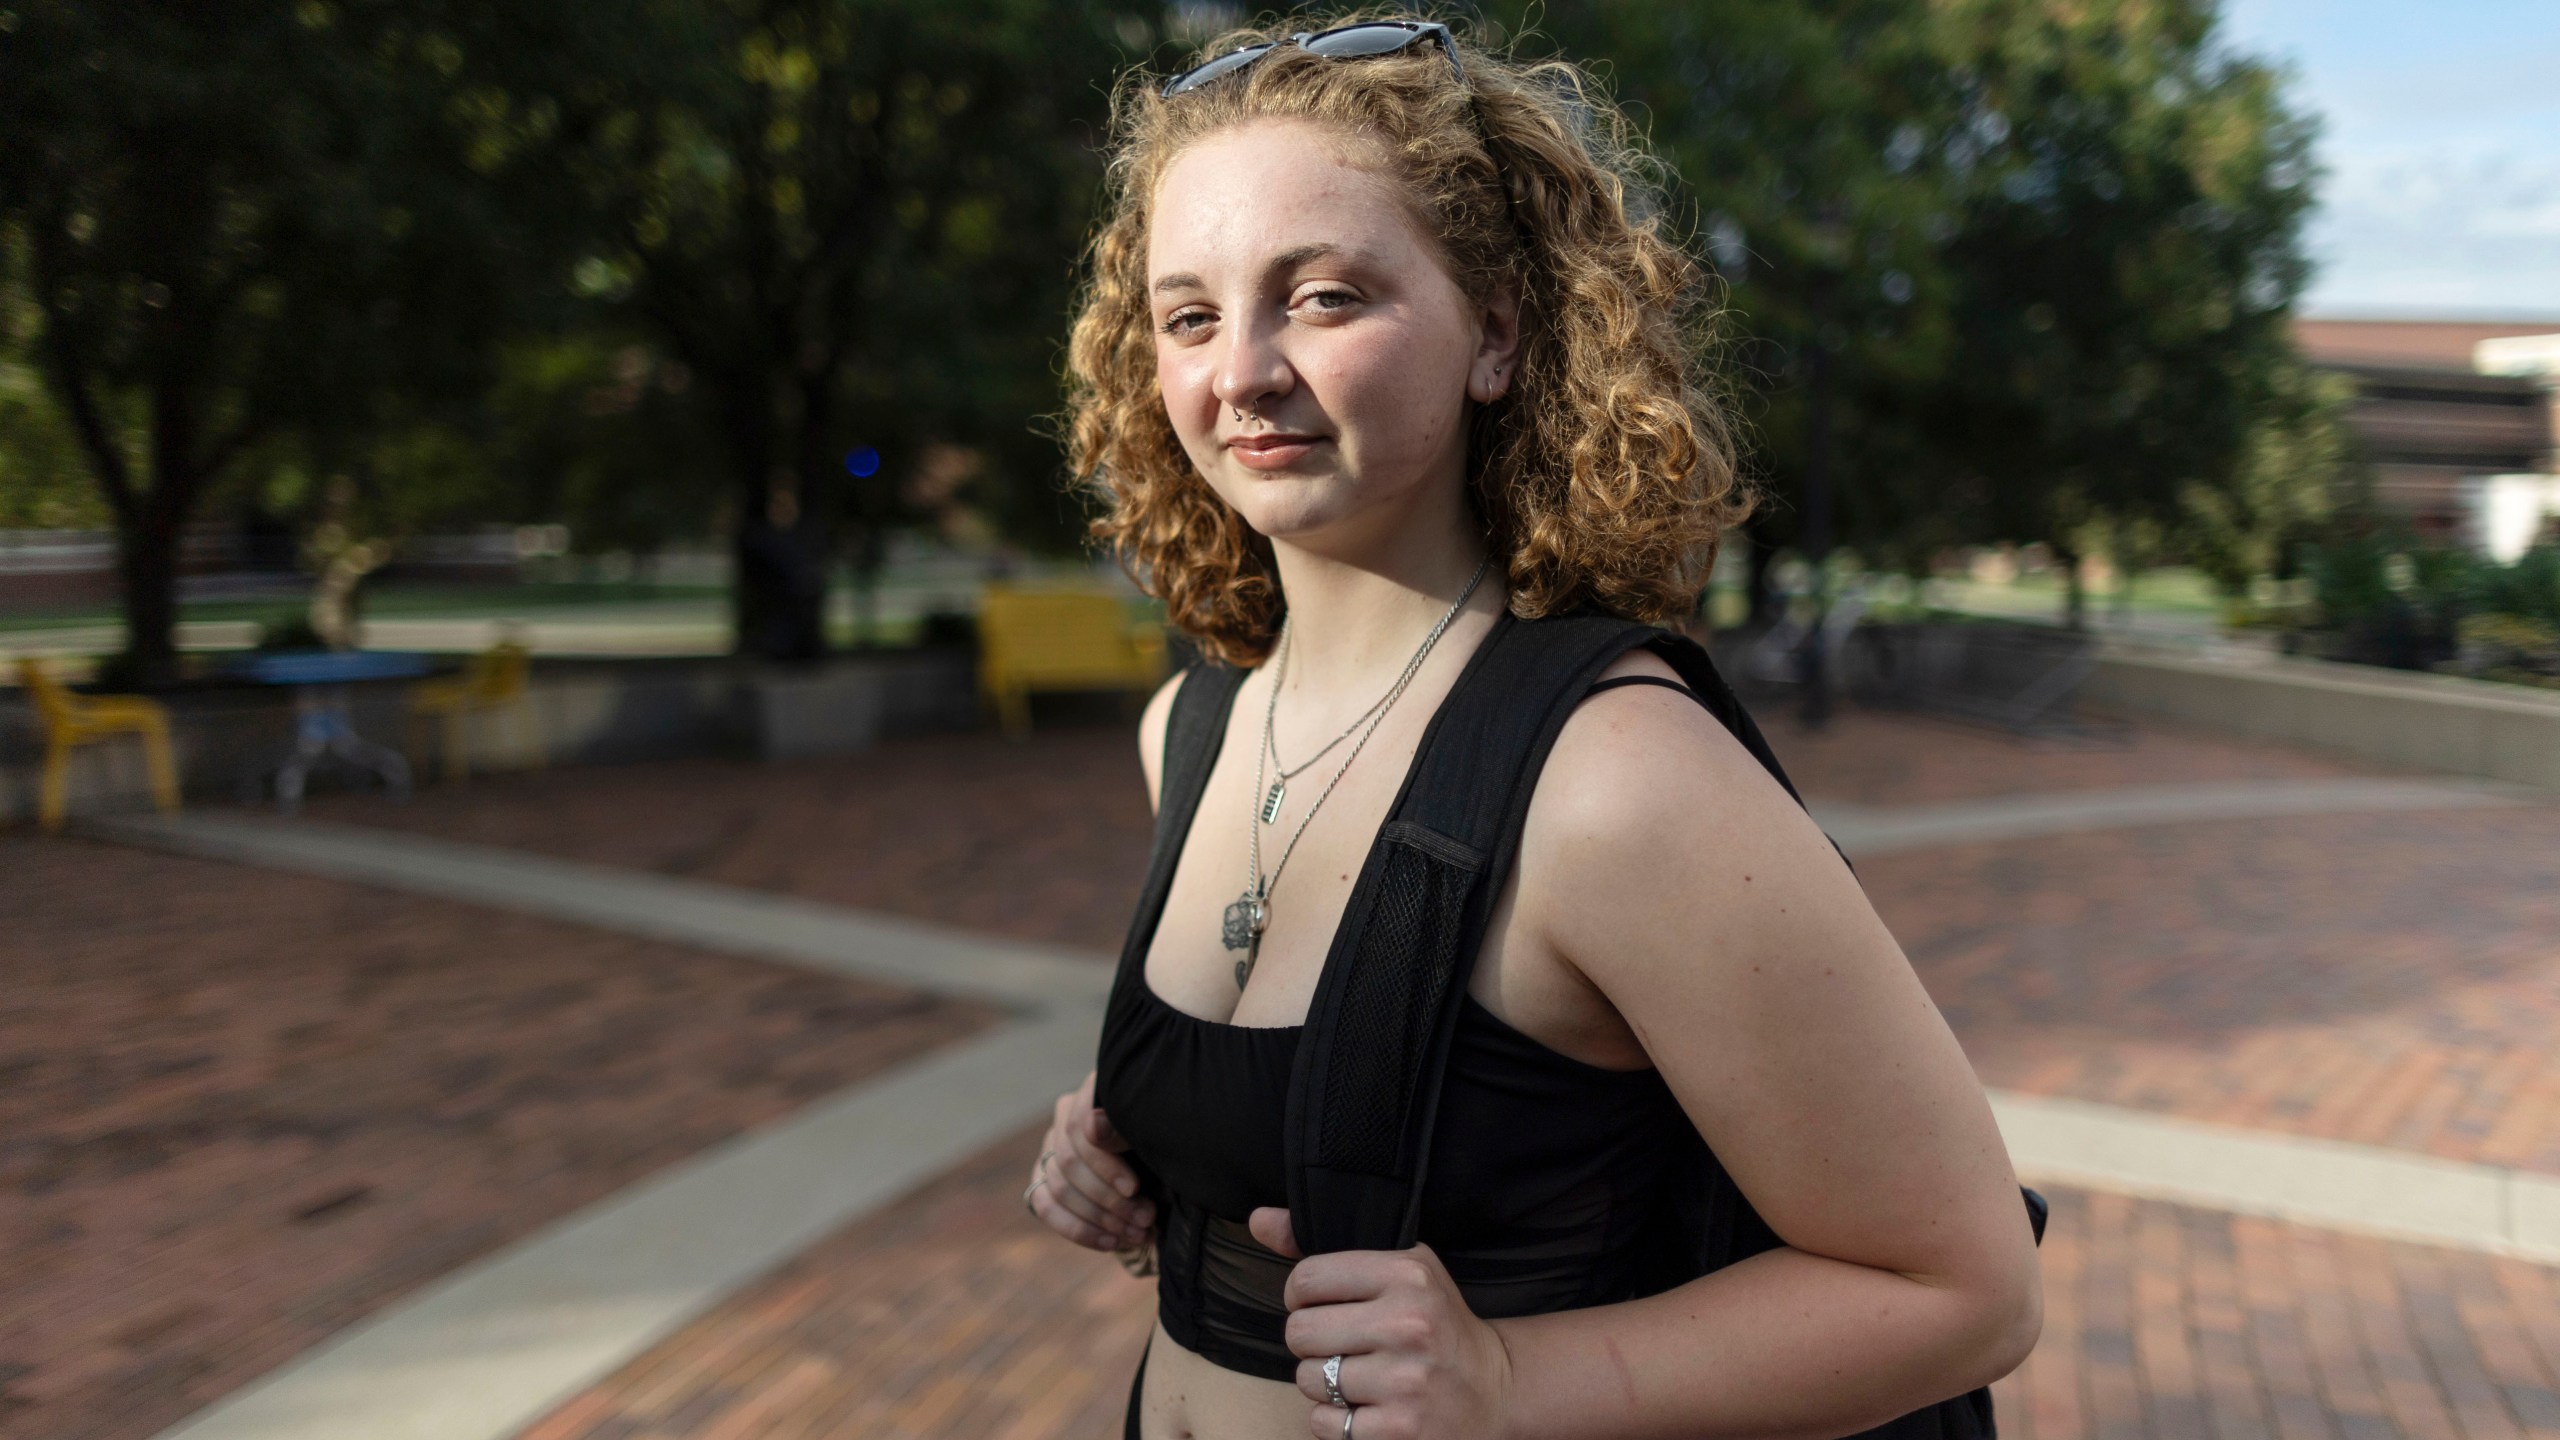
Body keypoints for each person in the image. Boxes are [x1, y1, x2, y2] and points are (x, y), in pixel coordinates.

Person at [1028, 17, 2043, 1440]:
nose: (1242, 368)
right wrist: (1126, 1137)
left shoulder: (1614, 781)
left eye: (1320, 297)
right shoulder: (1191, 731)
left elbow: (1970, 1289)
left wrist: (1515, 1382)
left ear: (1496, 333)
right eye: (1190, 315)